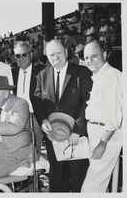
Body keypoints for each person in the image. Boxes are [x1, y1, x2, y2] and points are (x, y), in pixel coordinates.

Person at [34, 40, 92, 192]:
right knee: (58, 179)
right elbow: (38, 102)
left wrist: (77, 131)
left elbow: (88, 102)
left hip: (76, 137)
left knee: (78, 179)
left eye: (59, 53)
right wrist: (43, 120)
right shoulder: (42, 75)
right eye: (52, 54)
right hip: (53, 136)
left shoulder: (82, 72)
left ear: (66, 52)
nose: (56, 57)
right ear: (47, 56)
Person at [81, 41, 122, 192]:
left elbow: (114, 115)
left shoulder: (111, 76)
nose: (89, 61)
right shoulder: (99, 76)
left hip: (105, 136)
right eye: (86, 58)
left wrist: (103, 143)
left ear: (104, 55)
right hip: (96, 132)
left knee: (91, 187)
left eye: (94, 56)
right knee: (97, 183)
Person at [12, 41, 44, 158]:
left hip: (36, 116)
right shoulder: (12, 73)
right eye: (18, 55)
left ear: (31, 54)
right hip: (18, 116)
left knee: (36, 149)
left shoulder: (41, 72)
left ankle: (35, 174)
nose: (21, 58)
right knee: (20, 148)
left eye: (24, 55)